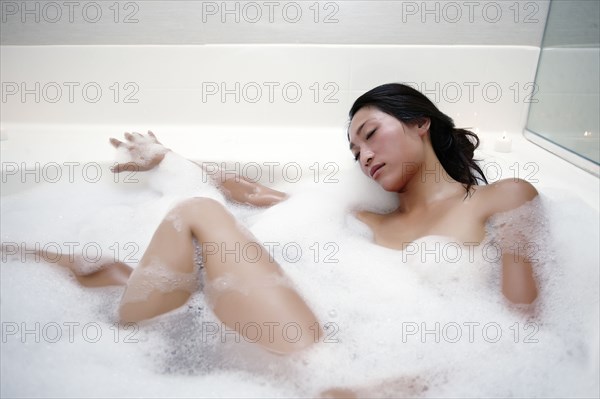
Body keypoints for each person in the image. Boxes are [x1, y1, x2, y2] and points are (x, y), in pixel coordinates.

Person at [30, 83, 539, 387]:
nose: (363, 156)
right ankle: (74, 297)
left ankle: (117, 306)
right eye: (354, 151)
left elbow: (521, 327)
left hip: (378, 363)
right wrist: (172, 160)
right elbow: (256, 194)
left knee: (196, 220)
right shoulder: (365, 219)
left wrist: (437, 378)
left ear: (420, 122)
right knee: (196, 218)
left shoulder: (505, 197)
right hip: (322, 352)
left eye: (369, 134)